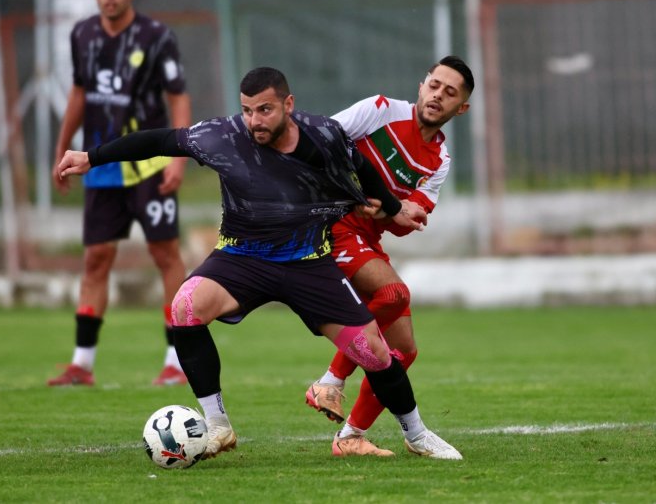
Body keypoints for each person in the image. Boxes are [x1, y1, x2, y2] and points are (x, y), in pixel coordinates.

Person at [55, 67, 464, 461]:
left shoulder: (324, 134)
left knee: (374, 351)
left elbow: (362, 169)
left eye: (265, 109)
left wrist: (392, 209)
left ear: (288, 104)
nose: (254, 120)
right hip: (241, 257)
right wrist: (93, 156)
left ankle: (417, 433)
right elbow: (161, 140)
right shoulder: (223, 136)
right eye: (247, 109)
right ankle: (217, 425)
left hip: (308, 260)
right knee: (184, 308)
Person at [305, 56, 474, 457]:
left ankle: (349, 437)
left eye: (450, 93)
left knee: (404, 349)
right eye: (434, 85)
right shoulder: (379, 110)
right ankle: (330, 380)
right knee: (395, 294)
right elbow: (318, 144)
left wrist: (386, 210)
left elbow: (404, 222)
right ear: (421, 85)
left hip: (367, 237)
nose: (438, 96)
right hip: (332, 225)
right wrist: (364, 197)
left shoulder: (440, 161)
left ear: (461, 108)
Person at [48, 0, 192, 387]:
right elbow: (78, 92)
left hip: (149, 165)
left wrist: (179, 158)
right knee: (95, 257)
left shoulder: (157, 36)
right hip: (100, 164)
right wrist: (62, 149)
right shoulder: (83, 35)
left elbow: (178, 98)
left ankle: (176, 361)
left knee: (165, 255)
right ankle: (82, 364)